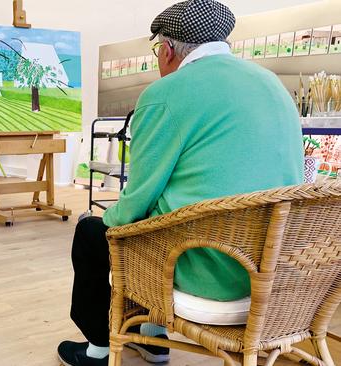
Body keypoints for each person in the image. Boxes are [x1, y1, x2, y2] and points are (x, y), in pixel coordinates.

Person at [57, 0, 305, 365]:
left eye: (158, 50)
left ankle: (99, 347)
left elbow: (138, 197)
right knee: (148, 226)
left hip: (207, 273)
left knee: (95, 231)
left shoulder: (165, 94)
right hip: (276, 272)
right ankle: (152, 338)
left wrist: (103, 224)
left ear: (168, 50)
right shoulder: (272, 84)